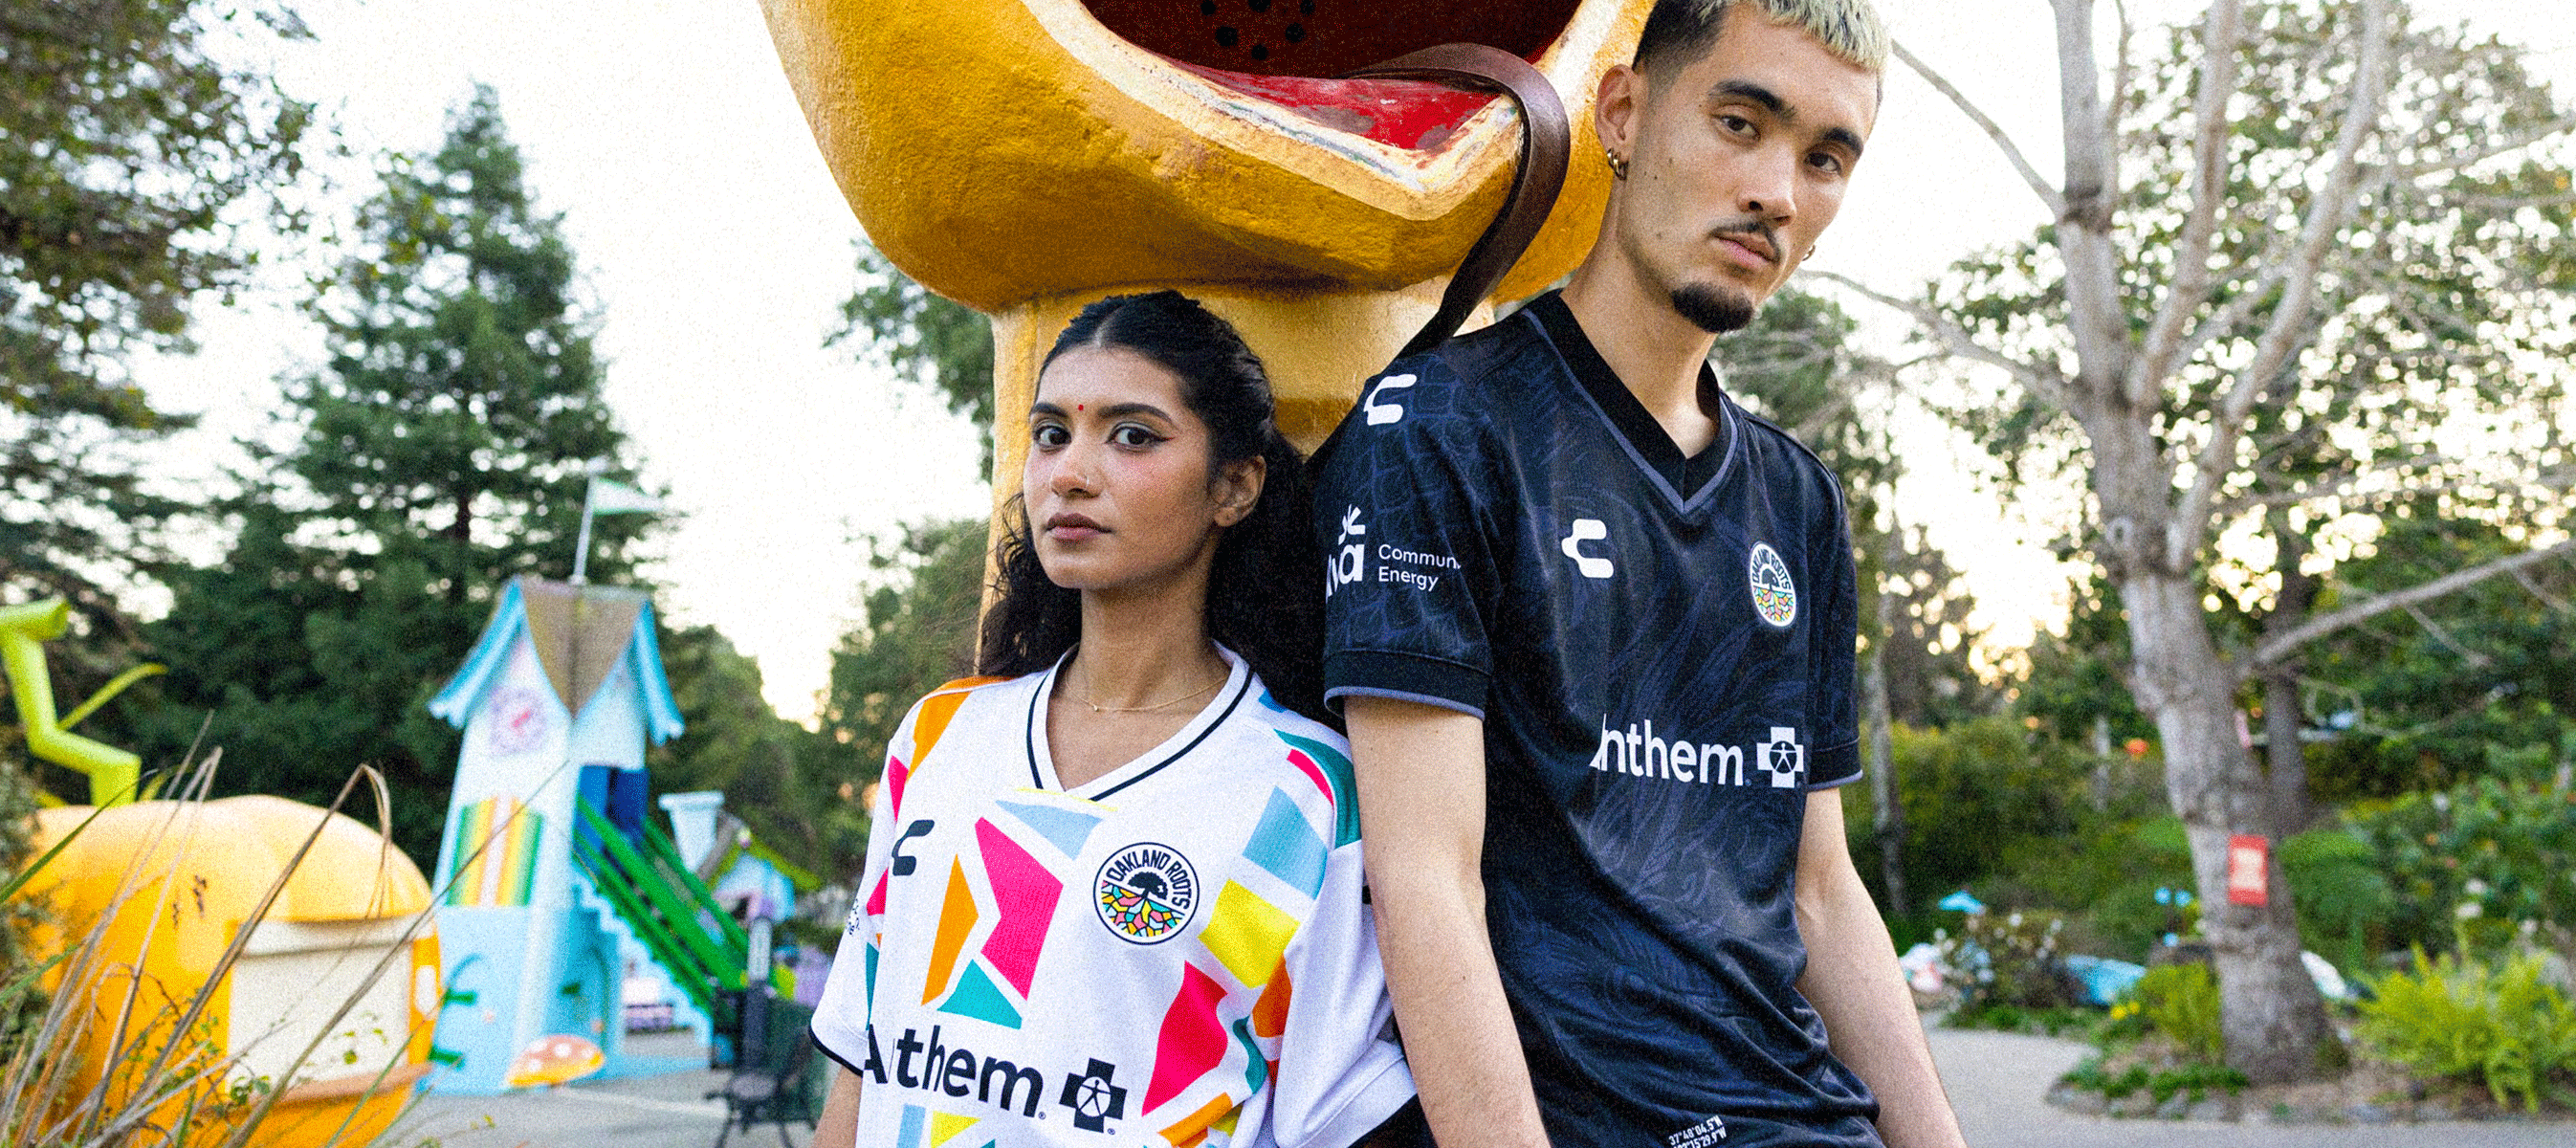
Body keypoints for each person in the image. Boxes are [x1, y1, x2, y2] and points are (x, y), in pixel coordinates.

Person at [1311, 2, 1966, 1147]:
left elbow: (1817, 888)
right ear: (1622, 112)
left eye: (1823, 158)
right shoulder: (1441, 428)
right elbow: (1423, 883)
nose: (1776, 191)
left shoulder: (1796, 500)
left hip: (1804, 1118)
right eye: (1738, 121)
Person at [811, 291, 1414, 1148]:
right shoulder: (940, 736)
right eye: (1051, 433)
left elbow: (1332, 1120)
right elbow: (859, 1069)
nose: (1070, 472)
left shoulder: (1310, 792)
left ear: (1235, 486)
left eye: (1132, 435)